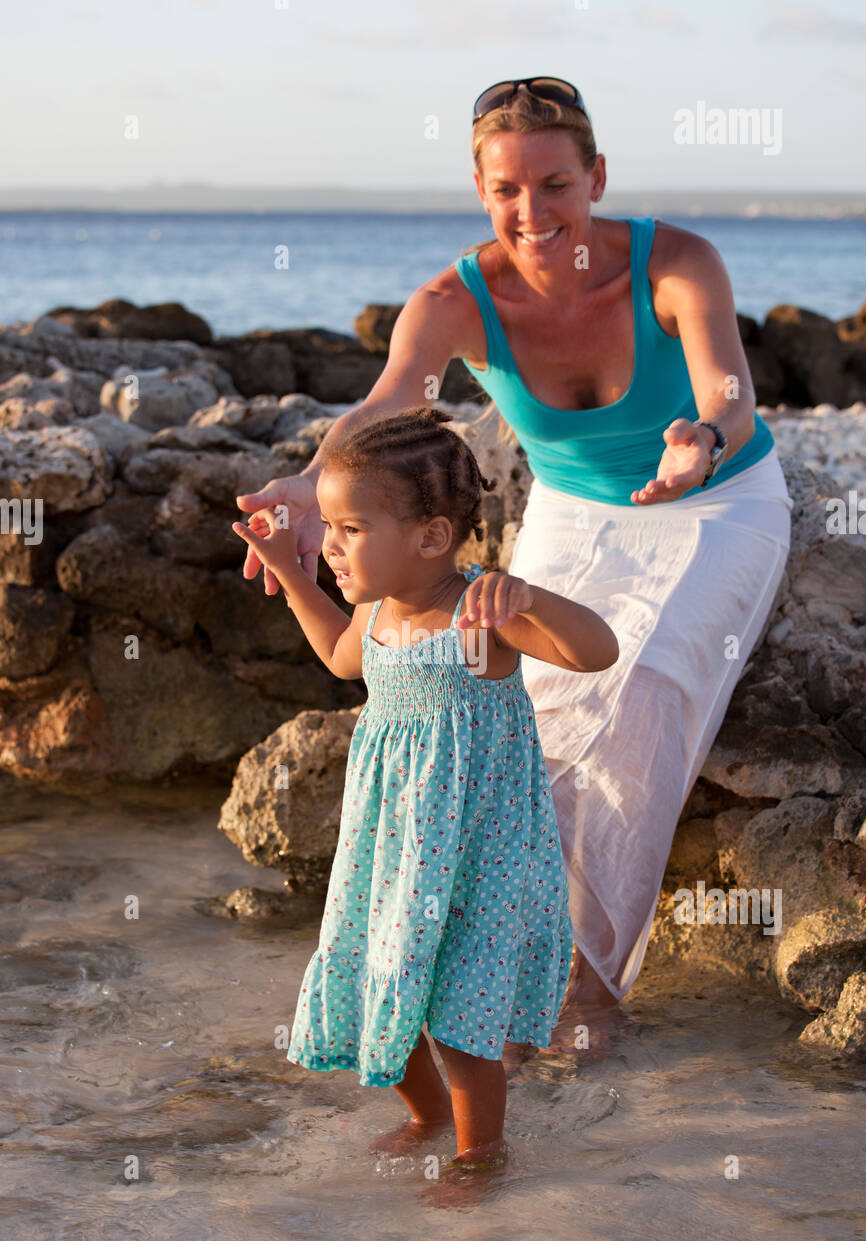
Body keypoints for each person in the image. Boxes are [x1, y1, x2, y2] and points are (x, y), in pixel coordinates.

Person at [236, 76, 793, 1045]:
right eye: (505, 190)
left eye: (554, 184)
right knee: (524, 710)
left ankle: (584, 984)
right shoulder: (456, 296)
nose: (531, 212)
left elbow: (727, 384)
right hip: (576, 509)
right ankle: (501, 954)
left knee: (643, 686)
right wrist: (300, 484)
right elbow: (388, 403)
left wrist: (700, 438)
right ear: (479, 188)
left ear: (595, 178)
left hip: (714, 502)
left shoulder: (676, 261)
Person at [231, 406, 618, 1167]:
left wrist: (530, 598)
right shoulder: (375, 606)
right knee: (377, 983)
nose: (330, 544)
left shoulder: (477, 614)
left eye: (349, 529)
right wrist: (285, 566)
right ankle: (428, 1118)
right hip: (389, 845)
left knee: (459, 1017)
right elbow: (344, 659)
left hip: (476, 851)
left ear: (431, 538)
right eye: (329, 529)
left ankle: (482, 1158)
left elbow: (596, 651)